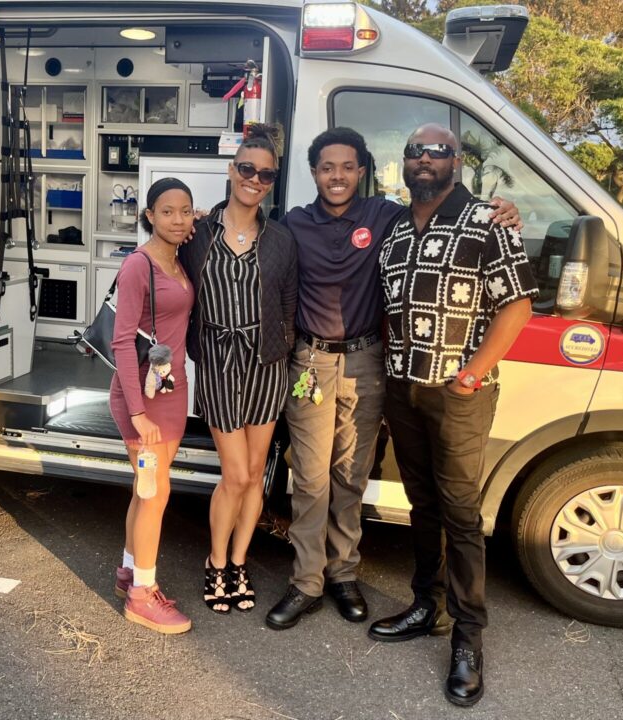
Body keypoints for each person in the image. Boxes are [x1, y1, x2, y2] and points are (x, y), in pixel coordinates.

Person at [265, 127, 521, 631]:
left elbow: (447, 211)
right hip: (311, 365)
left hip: (368, 363)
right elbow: (252, 240)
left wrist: (505, 210)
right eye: (326, 168)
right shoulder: (293, 223)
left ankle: (343, 574)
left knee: (350, 476)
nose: (336, 177)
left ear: (362, 171)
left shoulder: (388, 216)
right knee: (311, 479)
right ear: (313, 172)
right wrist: (204, 222)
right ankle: (306, 581)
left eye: (346, 167)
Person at [374, 124, 537, 707]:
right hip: (404, 388)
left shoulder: (488, 221)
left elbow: (518, 303)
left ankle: (468, 639)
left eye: (436, 151)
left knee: (461, 513)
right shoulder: (395, 227)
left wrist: (471, 372)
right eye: (414, 151)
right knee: (421, 504)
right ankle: (428, 605)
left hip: (461, 393)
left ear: (456, 160)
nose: (423, 160)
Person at [178, 124, 298, 615]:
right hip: (219, 363)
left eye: (265, 174)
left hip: (266, 365)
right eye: (247, 169)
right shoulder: (197, 233)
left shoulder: (281, 240)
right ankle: (215, 560)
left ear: (272, 181)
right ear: (231, 170)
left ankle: (239, 562)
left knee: (254, 474)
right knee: (234, 474)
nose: (255, 179)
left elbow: (289, 303)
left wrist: (283, 348)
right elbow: (171, 279)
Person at [111, 178, 196, 634]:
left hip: (171, 393)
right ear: (149, 215)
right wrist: (138, 412)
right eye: (167, 211)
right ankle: (142, 595)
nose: (178, 219)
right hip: (142, 400)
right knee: (154, 493)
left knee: (144, 491)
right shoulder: (138, 266)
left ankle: (129, 571)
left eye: (185, 211)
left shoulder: (178, 260)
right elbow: (122, 341)